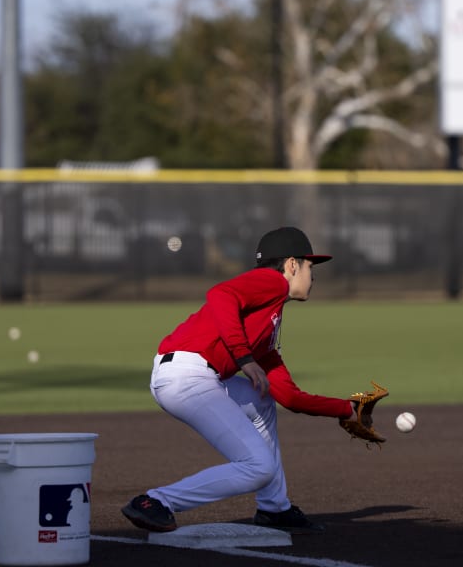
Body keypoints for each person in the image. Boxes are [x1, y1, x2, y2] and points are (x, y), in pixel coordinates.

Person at [121, 226, 358, 534]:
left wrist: (347, 409)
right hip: (186, 374)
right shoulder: (272, 282)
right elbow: (220, 294)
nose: (313, 276)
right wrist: (245, 359)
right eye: (310, 267)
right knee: (258, 467)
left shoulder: (267, 325)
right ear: (291, 265)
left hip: (193, 375)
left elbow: (289, 397)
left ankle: (275, 508)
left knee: (263, 399)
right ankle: (155, 501)